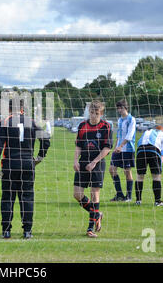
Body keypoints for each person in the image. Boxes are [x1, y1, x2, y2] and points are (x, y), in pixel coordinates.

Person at [0, 100, 51, 239]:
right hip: (27, 164)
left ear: (9, 109)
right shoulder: (31, 121)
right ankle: (27, 231)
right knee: (27, 197)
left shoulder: (4, 122)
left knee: (8, 198)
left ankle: (6, 231)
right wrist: (39, 157)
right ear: (23, 109)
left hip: (10, 164)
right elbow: (46, 139)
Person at [73, 100, 112, 238]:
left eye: (96, 113)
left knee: (95, 194)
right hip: (83, 162)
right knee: (77, 194)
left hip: (97, 164)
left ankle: (90, 229)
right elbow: (78, 145)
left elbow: (107, 148)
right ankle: (97, 214)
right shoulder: (82, 125)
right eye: (91, 113)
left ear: (101, 114)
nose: (93, 116)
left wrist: (95, 162)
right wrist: (75, 160)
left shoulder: (106, 127)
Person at [134, 125, 163, 206]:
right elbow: (162, 154)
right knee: (156, 176)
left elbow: (139, 143)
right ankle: (157, 201)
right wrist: (159, 167)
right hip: (154, 150)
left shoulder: (147, 131)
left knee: (139, 176)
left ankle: (138, 200)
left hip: (141, 150)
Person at [109, 99, 136, 202]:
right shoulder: (120, 120)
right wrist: (115, 147)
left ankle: (128, 197)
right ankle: (119, 195)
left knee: (127, 172)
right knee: (111, 169)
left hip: (127, 149)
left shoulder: (131, 119)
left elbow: (129, 135)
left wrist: (121, 146)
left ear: (125, 108)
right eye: (118, 108)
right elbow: (118, 136)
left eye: (120, 108)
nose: (119, 110)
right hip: (118, 149)